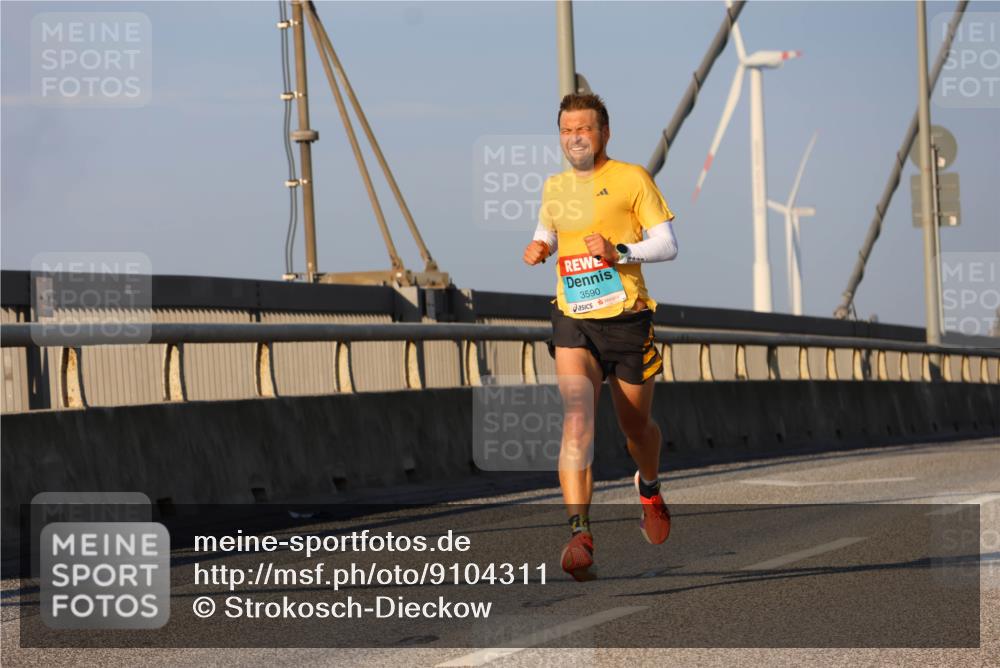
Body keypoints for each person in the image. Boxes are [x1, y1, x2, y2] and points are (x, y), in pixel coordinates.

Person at [522, 93, 679, 581]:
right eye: (567, 130)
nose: (575, 138)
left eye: (584, 129)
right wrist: (540, 246)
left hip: (627, 319)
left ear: (604, 133)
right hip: (574, 318)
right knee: (576, 422)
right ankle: (580, 533)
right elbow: (549, 229)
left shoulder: (632, 179)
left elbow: (668, 245)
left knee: (637, 430)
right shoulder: (554, 186)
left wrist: (619, 251)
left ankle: (649, 487)